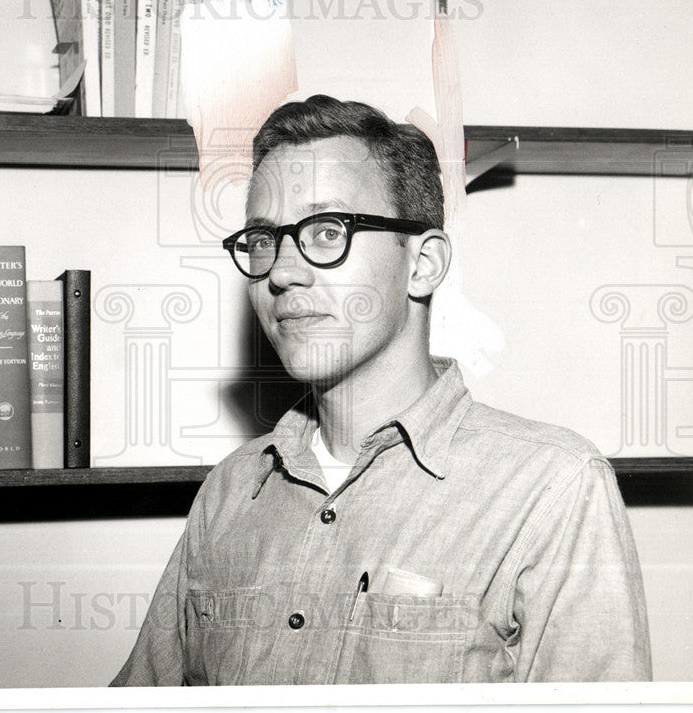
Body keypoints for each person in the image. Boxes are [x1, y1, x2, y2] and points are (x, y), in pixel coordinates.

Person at [111, 95, 652, 685]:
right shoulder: (230, 492)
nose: (283, 272)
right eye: (264, 240)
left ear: (422, 264)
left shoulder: (554, 489)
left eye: (326, 230)